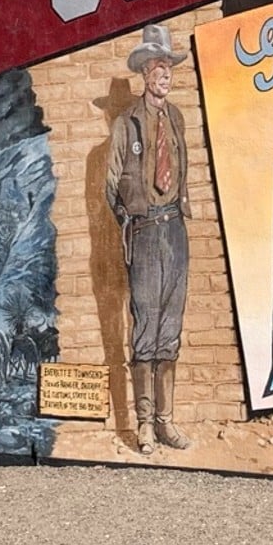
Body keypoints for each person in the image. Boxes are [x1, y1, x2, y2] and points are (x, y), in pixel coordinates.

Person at [104, 24, 193, 454]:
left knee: (170, 328)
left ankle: (166, 422)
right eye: (157, 67)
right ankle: (142, 424)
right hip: (143, 232)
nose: (164, 75)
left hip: (175, 229)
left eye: (168, 68)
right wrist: (130, 219)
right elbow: (109, 187)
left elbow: (184, 171)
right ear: (143, 73)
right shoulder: (126, 124)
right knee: (145, 328)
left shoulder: (175, 118)